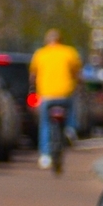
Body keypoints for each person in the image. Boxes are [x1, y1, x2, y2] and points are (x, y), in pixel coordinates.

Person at [29, 28, 82, 171]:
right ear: (61, 40)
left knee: (45, 124)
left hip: (47, 95)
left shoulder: (40, 54)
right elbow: (77, 73)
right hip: (65, 94)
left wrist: (33, 88)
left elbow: (33, 76)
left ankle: (45, 155)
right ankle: (70, 129)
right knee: (72, 107)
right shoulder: (69, 52)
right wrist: (78, 83)